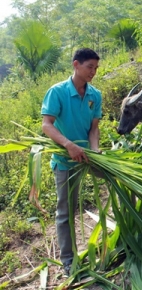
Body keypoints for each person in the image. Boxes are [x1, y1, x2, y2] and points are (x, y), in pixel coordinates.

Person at [41, 48, 102, 276]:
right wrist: (69, 145)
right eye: (89, 67)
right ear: (76, 64)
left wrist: (95, 150)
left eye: (96, 68)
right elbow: (47, 124)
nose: (93, 72)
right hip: (65, 161)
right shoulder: (57, 92)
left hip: (88, 158)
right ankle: (68, 261)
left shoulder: (95, 95)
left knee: (123, 183)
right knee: (65, 212)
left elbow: (94, 128)